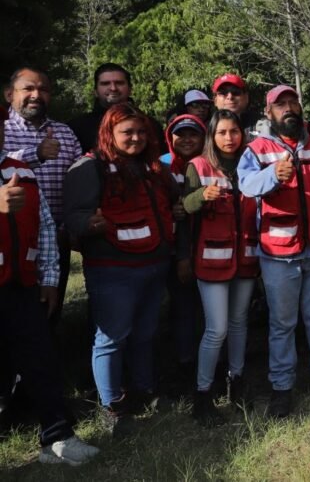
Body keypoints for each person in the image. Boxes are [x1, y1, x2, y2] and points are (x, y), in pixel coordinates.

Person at [64, 103, 184, 432]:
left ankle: (145, 390)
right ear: (109, 133)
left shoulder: (153, 168)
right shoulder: (90, 167)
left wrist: (178, 209)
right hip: (113, 270)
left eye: (141, 131)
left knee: (145, 334)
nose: (136, 138)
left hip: (154, 265)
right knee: (111, 338)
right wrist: (89, 223)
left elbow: (172, 201)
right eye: (127, 132)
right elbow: (72, 215)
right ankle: (112, 405)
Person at [237, 85, 310, 418]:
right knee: (282, 323)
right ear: (269, 113)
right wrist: (273, 174)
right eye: (280, 105)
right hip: (278, 252)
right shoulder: (256, 150)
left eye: (292, 103)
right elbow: (245, 185)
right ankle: (282, 387)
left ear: (300, 108)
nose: (288, 109)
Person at [0, 101, 100, 465]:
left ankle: (57, 438)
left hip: (22, 285)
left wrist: (49, 279)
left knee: (40, 359)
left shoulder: (18, 168)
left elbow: (43, 227)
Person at [183, 110, 259, 425]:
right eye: (222, 132)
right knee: (217, 328)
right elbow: (185, 206)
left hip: (246, 257)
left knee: (240, 322)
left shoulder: (251, 163)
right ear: (212, 136)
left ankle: (236, 382)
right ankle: (202, 395)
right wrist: (201, 195)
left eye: (234, 131)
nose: (229, 138)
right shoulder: (198, 166)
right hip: (212, 259)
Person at [3, 67, 81, 323]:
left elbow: (78, 179)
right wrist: (35, 153)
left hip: (56, 236)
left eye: (43, 89)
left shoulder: (65, 132)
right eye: (28, 88)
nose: (36, 95)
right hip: (12, 241)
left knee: (50, 308)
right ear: (8, 94)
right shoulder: (2, 129)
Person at [160, 114, 206, 393]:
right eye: (180, 134)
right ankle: (185, 364)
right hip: (175, 250)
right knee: (183, 308)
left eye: (193, 134)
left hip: (210, 246)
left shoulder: (210, 164)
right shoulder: (161, 166)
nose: (187, 139)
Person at [68, 63, 164, 153]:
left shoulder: (151, 125)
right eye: (105, 83)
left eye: (119, 83)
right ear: (95, 91)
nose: (113, 88)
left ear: (130, 89)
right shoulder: (76, 128)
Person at [212, 73, 266, 139]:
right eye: (223, 93)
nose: (230, 96)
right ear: (215, 100)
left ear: (246, 98)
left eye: (236, 92)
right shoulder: (205, 128)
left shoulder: (263, 124)